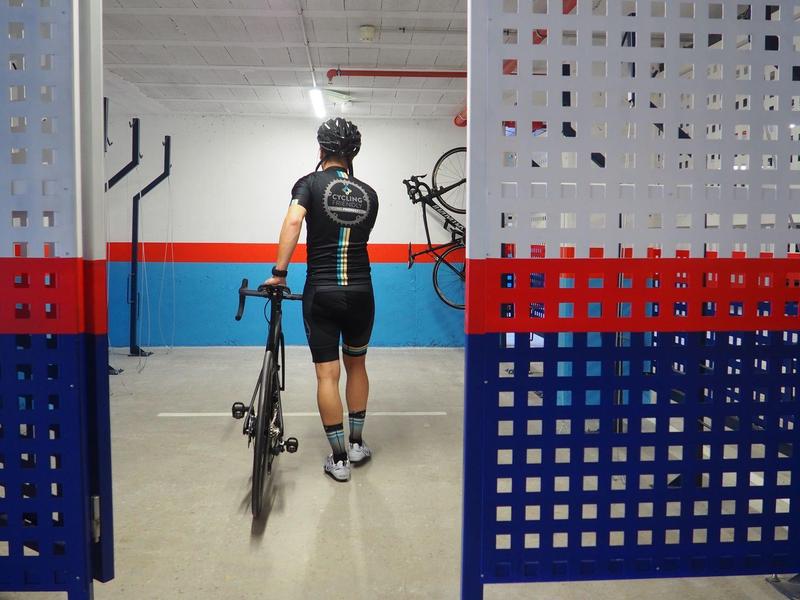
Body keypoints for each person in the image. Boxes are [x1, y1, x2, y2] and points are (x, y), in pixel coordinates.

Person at [263, 118, 379, 482]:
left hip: (322, 293)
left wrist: (279, 273)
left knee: (327, 374)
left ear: (321, 150)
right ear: (353, 153)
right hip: (362, 292)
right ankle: (358, 444)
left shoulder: (309, 184)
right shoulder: (369, 193)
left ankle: (340, 459)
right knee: (356, 365)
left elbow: (295, 222)